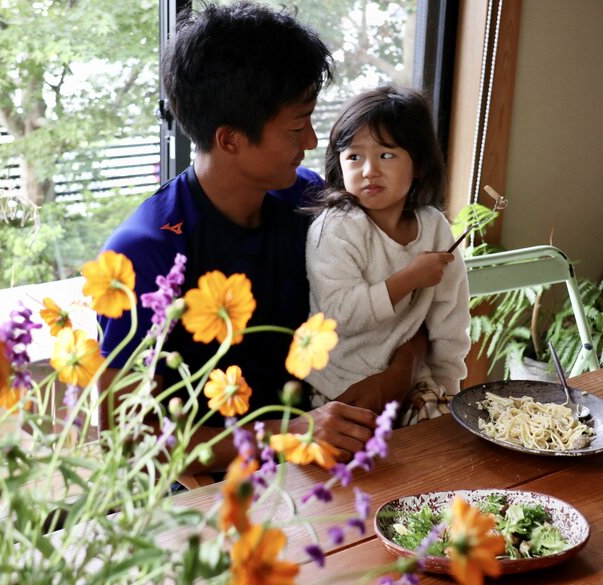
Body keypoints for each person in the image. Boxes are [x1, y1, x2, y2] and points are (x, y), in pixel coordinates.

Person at [97, 2, 425, 474]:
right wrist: (288, 436)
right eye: (297, 126)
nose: (312, 141)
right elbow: (130, 436)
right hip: (208, 488)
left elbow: (417, 314)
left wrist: (395, 375)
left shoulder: (313, 203)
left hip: (331, 459)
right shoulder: (145, 254)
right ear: (230, 139)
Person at [305, 86, 471, 425]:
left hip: (416, 382)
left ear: (419, 165)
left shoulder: (434, 225)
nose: (369, 170)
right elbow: (339, 313)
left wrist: (450, 385)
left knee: (442, 451)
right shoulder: (335, 227)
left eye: (386, 155)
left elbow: (450, 314)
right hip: (339, 387)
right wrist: (409, 278)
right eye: (354, 156)